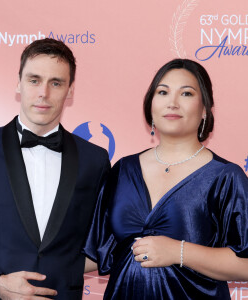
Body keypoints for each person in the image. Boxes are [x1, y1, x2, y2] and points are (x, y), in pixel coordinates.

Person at [0, 38, 110, 300]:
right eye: (34, 80)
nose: (43, 93)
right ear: (18, 83)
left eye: (55, 83)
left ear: (70, 90)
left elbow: (101, 242)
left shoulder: (95, 159)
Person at [83, 59, 248, 299]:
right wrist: (27, 268)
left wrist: (179, 251)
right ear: (151, 105)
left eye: (186, 93)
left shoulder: (226, 177)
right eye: (162, 92)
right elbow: (94, 252)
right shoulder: (122, 170)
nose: (172, 103)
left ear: (204, 109)